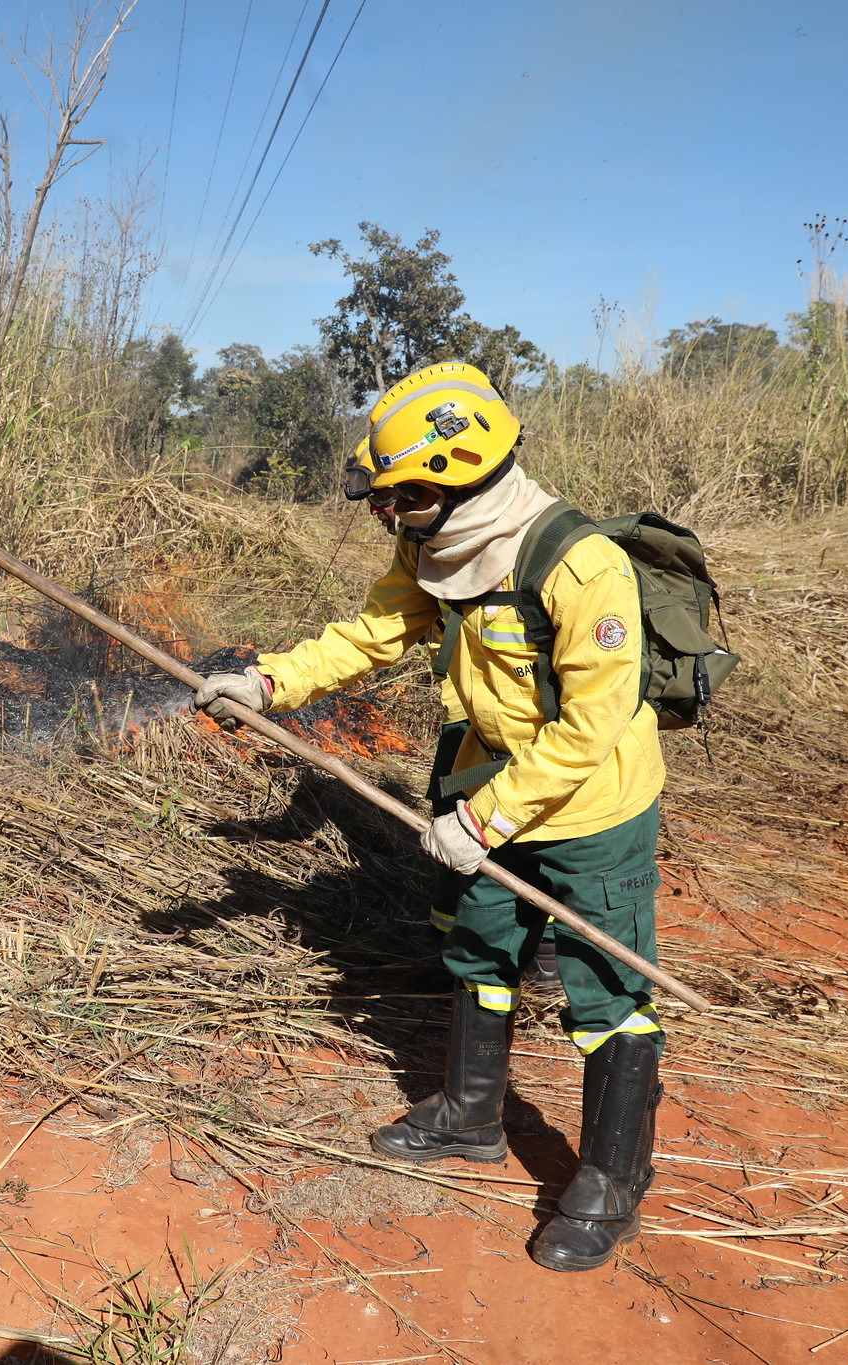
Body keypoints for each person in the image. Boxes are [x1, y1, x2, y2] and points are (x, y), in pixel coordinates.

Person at [193, 361, 666, 1273]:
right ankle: (471, 1114)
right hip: (490, 790)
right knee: (480, 951)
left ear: (452, 482)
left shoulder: (582, 568)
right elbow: (371, 633)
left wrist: (485, 821)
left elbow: (592, 728)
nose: (385, 513)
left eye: (397, 497)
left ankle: (611, 1183)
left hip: (589, 808)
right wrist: (268, 683)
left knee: (607, 994)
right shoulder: (435, 547)